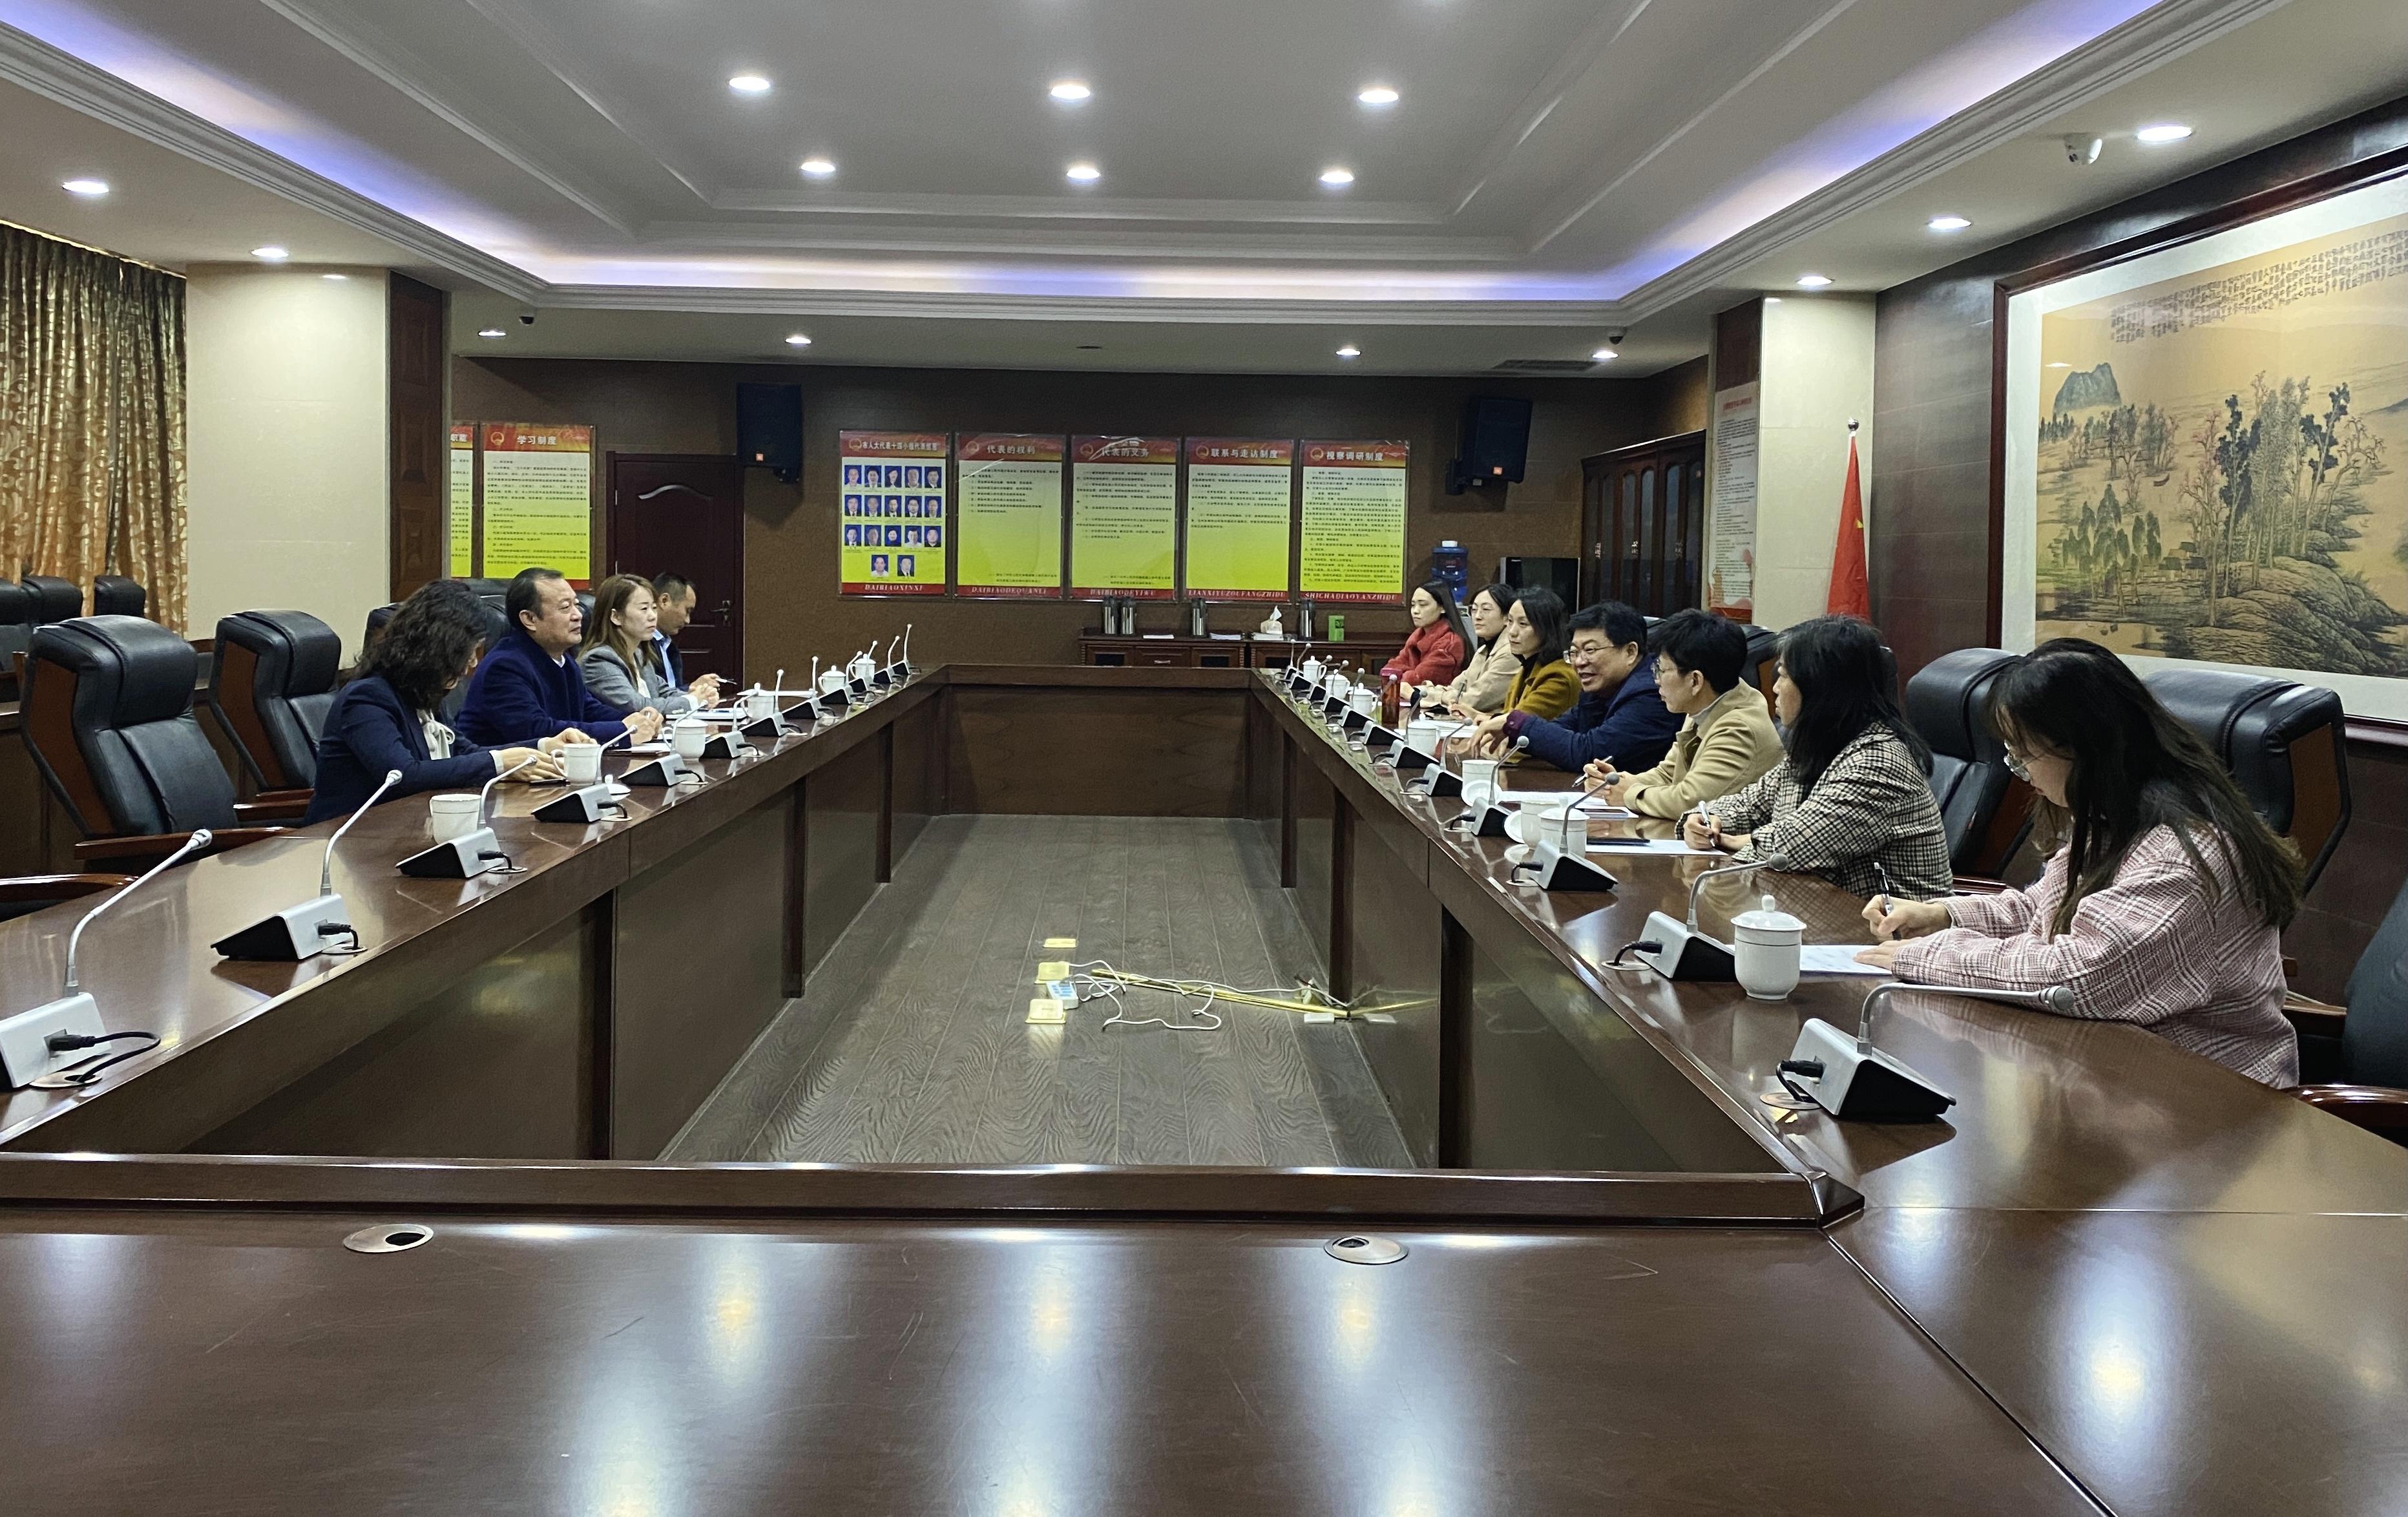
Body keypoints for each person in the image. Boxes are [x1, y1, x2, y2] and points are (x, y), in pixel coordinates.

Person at [1859, 638, 2303, 1086]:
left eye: (2024, 752)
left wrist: (1930, 956)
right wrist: (1943, 916)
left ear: (2082, 745)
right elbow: (2044, 911)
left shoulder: (2183, 856)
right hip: (2114, 1071)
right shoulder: (2116, 820)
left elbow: (2080, 976)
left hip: (2208, 1094)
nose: (2020, 771)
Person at [1681, 614, 1950, 900]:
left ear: (1820, 687)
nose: (1775, 688)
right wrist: (1706, 820)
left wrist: (1731, 840)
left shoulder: (1879, 762)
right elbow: (1750, 804)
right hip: (1820, 911)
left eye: (1784, 676)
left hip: (1889, 924)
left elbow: (1793, 847)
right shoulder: (1817, 748)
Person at [306, 581, 581, 824]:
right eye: (468, 652)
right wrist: (500, 762)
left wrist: (541, 746)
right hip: (349, 840)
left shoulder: (423, 693)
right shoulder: (367, 698)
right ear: (439, 648)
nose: (472, 664)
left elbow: (464, 751)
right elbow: (403, 775)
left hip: (412, 827)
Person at [1588, 609, 1782, 819]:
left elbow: (1690, 801)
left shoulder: (1739, 729)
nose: (1656, 680)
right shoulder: (1704, 705)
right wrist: (1616, 783)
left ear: (1695, 681)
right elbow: (1668, 774)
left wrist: (1629, 795)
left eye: (1662, 670)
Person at [455, 567, 664, 749]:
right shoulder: (504, 666)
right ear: (530, 619)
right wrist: (622, 730)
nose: (578, 615)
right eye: (565, 608)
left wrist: (638, 721)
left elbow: (588, 709)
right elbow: (537, 730)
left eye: (576, 605)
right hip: (500, 778)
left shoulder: (563, 658)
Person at [1476, 601, 1679, 773]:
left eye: (1590, 650)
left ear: (1630, 652)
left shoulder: (1652, 693)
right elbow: (1564, 729)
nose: (1580, 662)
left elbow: (1589, 752)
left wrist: (1518, 724)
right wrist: (1512, 733)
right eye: (1574, 652)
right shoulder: (1601, 689)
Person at [579, 575, 717, 718]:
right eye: (644, 609)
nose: (653, 616)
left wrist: (701, 696)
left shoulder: (638, 654)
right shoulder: (598, 660)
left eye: (654, 608)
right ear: (616, 617)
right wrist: (693, 700)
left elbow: (664, 692)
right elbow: (638, 706)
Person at [1425, 583, 1520, 715]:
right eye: (1474, 610)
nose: (1477, 616)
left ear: (1507, 618)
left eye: (1486, 610)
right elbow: (1456, 688)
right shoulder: (1484, 650)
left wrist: (1420, 694)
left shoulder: (1511, 653)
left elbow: (1473, 701)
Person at [1493, 586, 1578, 722]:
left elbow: (1518, 722)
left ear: (1547, 628)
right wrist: (1476, 715)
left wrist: (1490, 721)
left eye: (1523, 624)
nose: (1512, 632)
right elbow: (1510, 715)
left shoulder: (1559, 676)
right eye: (1510, 621)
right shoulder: (1528, 667)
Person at [1380, 583, 1469, 689]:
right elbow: (1390, 671)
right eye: (1413, 605)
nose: (1415, 611)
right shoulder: (1417, 636)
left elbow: (1417, 681)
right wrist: (1406, 674)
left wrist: (1404, 674)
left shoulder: (1449, 643)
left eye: (1423, 605)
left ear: (1443, 608)